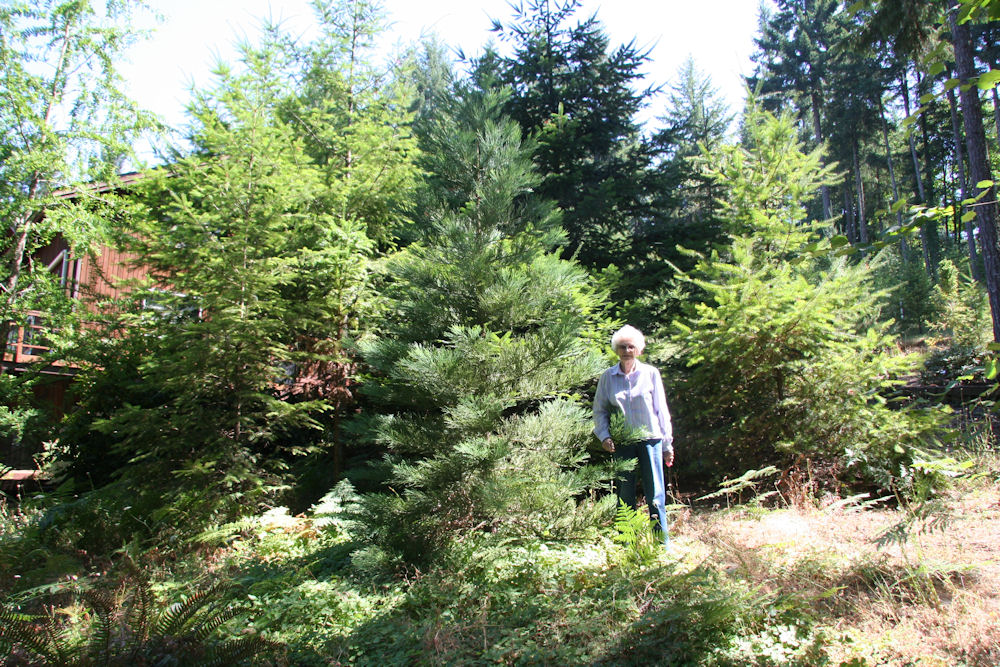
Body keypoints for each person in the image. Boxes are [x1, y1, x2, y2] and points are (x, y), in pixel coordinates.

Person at [592, 324, 673, 547]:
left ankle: (661, 545)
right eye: (622, 347)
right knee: (625, 494)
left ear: (638, 349)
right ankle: (626, 544)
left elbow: (661, 410)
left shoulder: (651, 374)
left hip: (651, 440)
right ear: (616, 350)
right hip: (623, 443)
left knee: (655, 493)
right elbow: (599, 410)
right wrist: (604, 436)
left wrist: (667, 444)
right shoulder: (608, 377)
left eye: (631, 346)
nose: (626, 350)